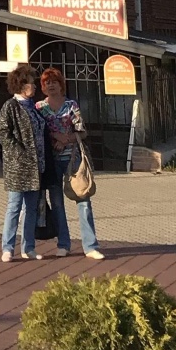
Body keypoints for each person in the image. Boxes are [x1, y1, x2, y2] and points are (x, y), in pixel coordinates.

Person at [37, 66, 104, 260]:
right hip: (51, 161)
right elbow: (38, 132)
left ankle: (90, 246)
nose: (51, 85)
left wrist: (66, 138)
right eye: (47, 82)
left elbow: (82, 131)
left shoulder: (71, 105)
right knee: (57, 203)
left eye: (54, 82)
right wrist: (53, 137)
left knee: (83, 200)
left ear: (61, 85)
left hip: (73, 159)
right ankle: (63, 244)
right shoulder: (40, 108)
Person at [0, 63, 47, 263]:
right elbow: (0, 131)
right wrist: (17, 151)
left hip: (36, 165)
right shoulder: (11, 106)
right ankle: (7, 248)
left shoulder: (33, 106)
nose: (34, 87)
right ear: (21, 85)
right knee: (14, 206)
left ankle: (29, 247)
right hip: (18, 166)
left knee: (32, 208)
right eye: (32, 83)